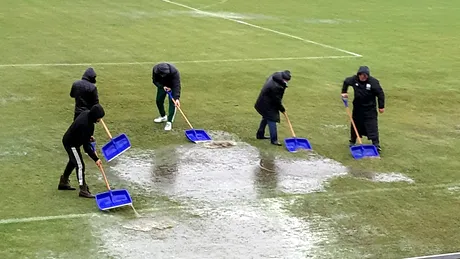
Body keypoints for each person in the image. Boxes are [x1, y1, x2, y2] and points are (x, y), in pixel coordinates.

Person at [58, 104, 105, 198]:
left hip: (74, 140)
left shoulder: (86, 114)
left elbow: (83, 135)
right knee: (80, 165)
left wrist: (88, 137)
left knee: (73, 161)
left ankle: (63, 182)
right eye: (99, 118)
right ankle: (83, 190)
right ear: (95, 117)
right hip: (71, 143)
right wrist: (96, 159)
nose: (100, 120)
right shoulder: (86, 125)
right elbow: (86, 147)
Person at [341, 66, 385, 152]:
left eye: (365, 76)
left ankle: (376, 144)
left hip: (370, 109)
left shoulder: (373, 82)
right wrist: (344, 92)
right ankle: (352, 142)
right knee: (355, 125)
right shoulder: (354, 80)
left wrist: (381, 106)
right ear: (359, 75)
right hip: (358, 108)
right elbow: (346, 82)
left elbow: (380, 94)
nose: (363, 77)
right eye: (361, 75)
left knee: (372, 126)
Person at [254, 70, 291, 146]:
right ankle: (274, 140)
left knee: (266, 117)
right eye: (286, 81)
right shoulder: (276, 87)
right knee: (272, 119)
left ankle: (260, 135)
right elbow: (276, 100)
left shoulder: (276, 76)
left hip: (264, 101)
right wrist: (282, 109)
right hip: (267, 104)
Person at [70, 67, 99, 150]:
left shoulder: (76, 84)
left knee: (77, 130)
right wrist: (97, 115)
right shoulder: (92, 88)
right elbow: (96, 103)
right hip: (88, 114)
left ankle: (75, 146)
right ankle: (89, 148)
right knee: (88, 133)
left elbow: (72, 95)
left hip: (77, 113)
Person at [151, 63, 181, 131]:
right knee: (159, 100)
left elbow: (177, 85)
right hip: (163, 85)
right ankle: (163, 116)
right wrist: (162, 87)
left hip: (172, 86)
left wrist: (176, 98)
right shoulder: (155, 70)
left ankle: (169, 122)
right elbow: (155, 81)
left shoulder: (174, 72)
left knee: (173, 104)